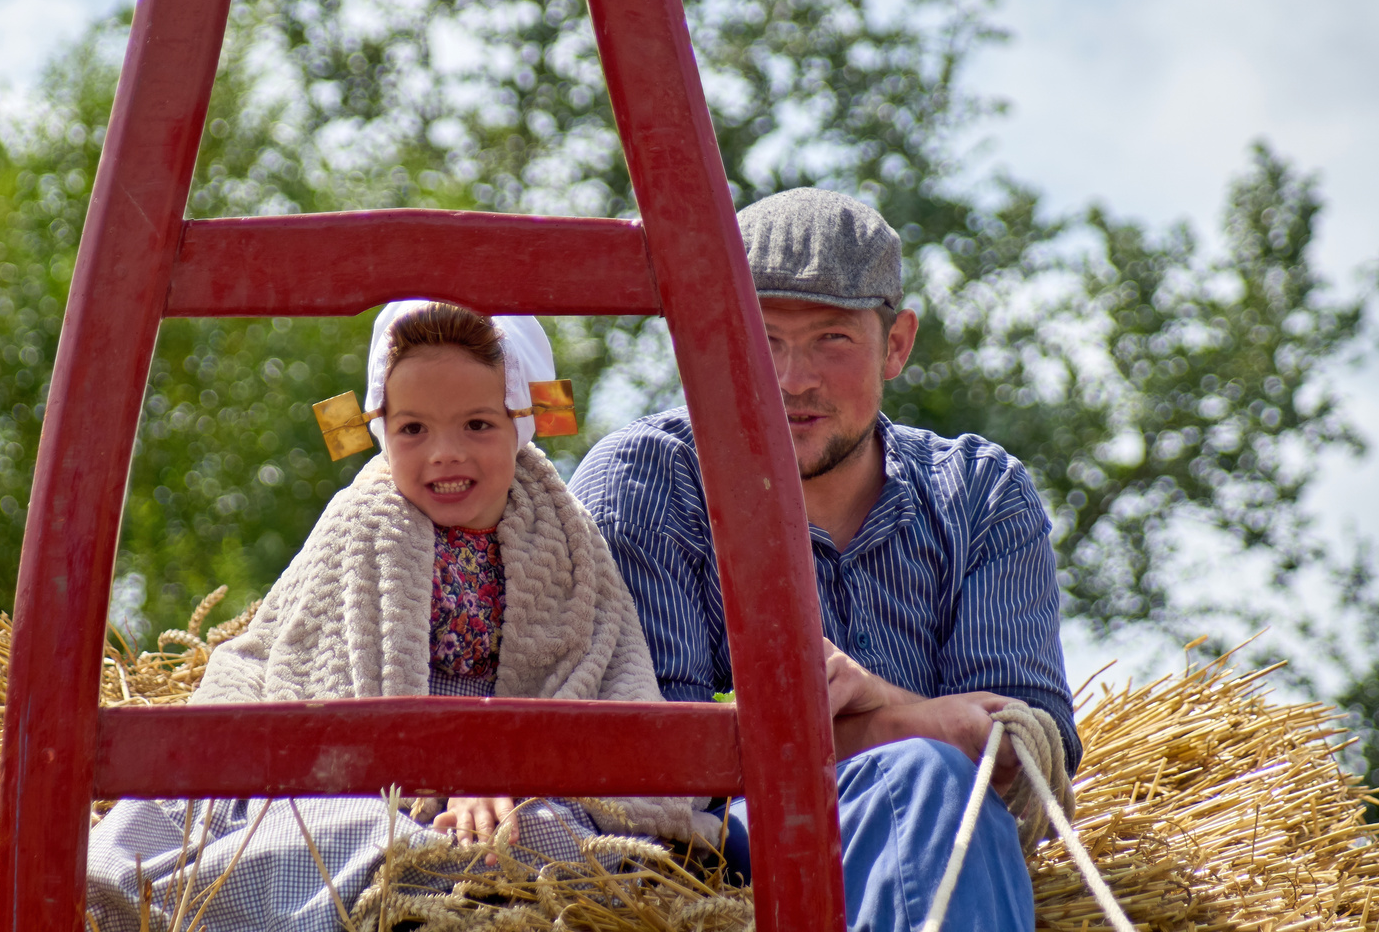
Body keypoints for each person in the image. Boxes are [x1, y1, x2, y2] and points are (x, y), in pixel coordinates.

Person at [86, 301, 715, 932]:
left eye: (476, 425)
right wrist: (421, 769)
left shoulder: (567, 538)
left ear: (523, 422)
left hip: (519, 786)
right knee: (314, 840)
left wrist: (509, 771)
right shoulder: (357, 525)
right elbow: (296, 655)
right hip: (368, 776)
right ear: (381, 427)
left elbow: (605, 664)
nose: (445, 454)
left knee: (546, 846)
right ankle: (404, 871)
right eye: (414, 429)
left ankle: (451, 872)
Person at [568, 188, 1076, 931]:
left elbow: (1025, 754)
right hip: (717, 863)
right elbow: (667, 776)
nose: (792, 378)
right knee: (929, 773)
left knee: (929, 783)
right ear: (713, 340)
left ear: (896, 343)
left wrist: (872, 698)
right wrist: (927, 725)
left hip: (949, 853)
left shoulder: (981, 493)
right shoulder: (642, 484)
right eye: (762, 338)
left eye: (832, 340)